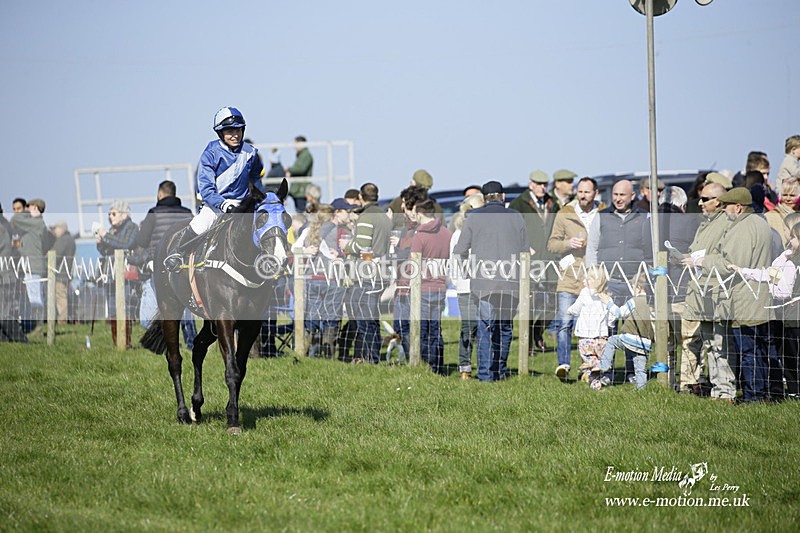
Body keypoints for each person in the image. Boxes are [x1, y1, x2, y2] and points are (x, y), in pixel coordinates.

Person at [165, 106, 263, 272]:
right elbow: (207, 189)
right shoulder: (210, 153)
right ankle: (178, 252)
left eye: (238, 130)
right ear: (221, 133)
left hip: (244, 207)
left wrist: (262, 200)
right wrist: (222, 204)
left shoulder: (251, 153)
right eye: (230, 131)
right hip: (216, 206)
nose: (235, 135)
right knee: (201, 224)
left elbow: (256, 181)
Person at [699, 187, 773, 402]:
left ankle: (754, 396)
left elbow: (731, 264)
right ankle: (762, 392)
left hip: (744, 297)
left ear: (738, 207)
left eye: (727, 206)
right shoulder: (761, 222)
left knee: (749, 350)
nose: (723, 210)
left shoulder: (742, 228)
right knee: (760, 349)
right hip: (760, 295)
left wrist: (704, 261)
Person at [453, 180, 528, 382]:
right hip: (510, 282)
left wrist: (468, 272)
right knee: (504, 328)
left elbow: (459, 251)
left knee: (486, 328)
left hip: (483, 283)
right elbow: (524, 251)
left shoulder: (474, 218)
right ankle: (500, 371)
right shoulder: (516, 216)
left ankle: (485, 374)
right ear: (503, 197)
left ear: (484, 199)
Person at [729, 221, 800, 400]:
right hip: (788, 316)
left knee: (792, 357)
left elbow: (782, 290)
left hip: (792, 317)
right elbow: (769, 273)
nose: (789, 241)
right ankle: (791, 391)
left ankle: (793, 391)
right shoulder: (786, 260)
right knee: (787, 356)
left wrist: (774, 279)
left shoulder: (791, 264)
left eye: (793, 237)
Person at [547, 177, 604, 378]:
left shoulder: (604, 212)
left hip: (595, 279)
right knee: (564, 323)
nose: (582, 195)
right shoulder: (565, 214)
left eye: (587, 192)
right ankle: (563, 364)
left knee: (590, 327)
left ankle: (588, 368)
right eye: (580, 191)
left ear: (595, 193)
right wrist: (568, 243)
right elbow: (552, 244)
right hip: (569, 277)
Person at [131, 180, 196, 348]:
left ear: (160, 194)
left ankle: (165, 342)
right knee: (187, 304)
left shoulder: (154, 213)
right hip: (183, 265)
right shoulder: (188, 213)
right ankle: (191, 342)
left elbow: (142, 240)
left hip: (159, 266)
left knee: (160, 308)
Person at [679, 181, 729, 396]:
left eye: (705, 199)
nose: (699, 203)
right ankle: (713, 388)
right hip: (700, 292)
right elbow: (696, 251)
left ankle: (724, 390)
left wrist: (700, 261)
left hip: (717, 292)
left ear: (718, 201)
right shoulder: (704, 223)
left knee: (719, 345)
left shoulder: (727, 223)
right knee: (707, 341)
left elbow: (728, 258)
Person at [509, 170, 559, 353]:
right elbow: (511, 230)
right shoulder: (518, 204)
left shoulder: (553, 204)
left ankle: (537, 330)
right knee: (528, 303)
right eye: (538, 184)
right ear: (530, 184)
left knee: (555, 302)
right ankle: (528, 344)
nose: (542, 187)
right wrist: (523, 247)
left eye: (545, 184)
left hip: (550, 260)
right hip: (528, 261)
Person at [343, 183, 391, 364]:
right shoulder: (385, 217)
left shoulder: (366, 217)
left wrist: (345, 246)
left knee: (363, 321)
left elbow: (360, 246)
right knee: (372, 319)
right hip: (380, 274)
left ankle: (369, 358)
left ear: (362, 197)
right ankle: (372, 358)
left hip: (366, 275)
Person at [589, 275, 654, 391]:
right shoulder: (653, 303)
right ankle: (641, 390)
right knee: (640, 370)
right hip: (645, 343)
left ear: (638, 287)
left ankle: (604, 366)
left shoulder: (634, 301)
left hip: (630, 338)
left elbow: (619, 313)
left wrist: (608, 302)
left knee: (612, 340)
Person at [410, 198, 452, 375]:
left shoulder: (419, 236)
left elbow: (413, 266)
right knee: (436, 329)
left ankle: (426, 366)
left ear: (420, 213)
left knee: (423, 330)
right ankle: (438, 367)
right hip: (440, 287)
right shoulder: (446, 233)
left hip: (423, 288)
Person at [450, 193, 485, 380]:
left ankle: (483, 365)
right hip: (465, 287)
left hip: (484, 286)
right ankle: (465, 367)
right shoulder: (458, 234)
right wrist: (458, 283)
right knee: (468, 327)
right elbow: (453, 261)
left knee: (483, 328)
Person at [96, 200, 138, 348]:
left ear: (124, 214)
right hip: (110, 273)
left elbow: (125, 244)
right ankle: (116, 342)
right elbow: (106, 251)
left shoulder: (131, 227)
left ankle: (126, 342)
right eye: (109, 214)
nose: (110, 217)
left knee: (124, 306)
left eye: (114, 213)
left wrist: (106, 236)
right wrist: (100, 242)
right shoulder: (113, 230)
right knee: (113, 307)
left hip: (125, 274)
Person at [10, 198, 54, 331]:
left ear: (35, 208)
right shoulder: (38, 225)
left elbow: (15, 219)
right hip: (33, 265)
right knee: (33, 298)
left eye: (28, 207)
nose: (26, 210)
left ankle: (38, 328)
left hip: (32, 266)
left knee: (35, 299)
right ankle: (33, 327)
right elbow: (42, 246)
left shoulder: (35, 223)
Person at [566, 266, 615, 382]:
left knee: (588, 357)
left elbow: (576, 308)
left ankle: (592, 369)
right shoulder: (607, 296)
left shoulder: (584, 293)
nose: (583, 281)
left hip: (586, 336)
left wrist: (570, 311)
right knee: (601, 356)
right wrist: (610, 324)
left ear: (594, 280)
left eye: (586, 279)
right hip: (601, 337)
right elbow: (612, 315)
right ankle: (596, 380)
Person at [0, 202, 27, 343]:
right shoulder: (6, 224)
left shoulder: (2, 227)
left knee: (5, 313)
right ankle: (4, 340)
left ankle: (21, 340)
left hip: (4, 276)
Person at [50, 221, 75, 326]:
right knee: (63, 296)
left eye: (56, 228)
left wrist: (47, 256)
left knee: (60, 297)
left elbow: (55, 254)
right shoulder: (70, 240)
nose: (54, 231)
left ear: (61, 229)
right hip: (66, 273)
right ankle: (63, 319)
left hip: (60, 273)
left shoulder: (63, 240)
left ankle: (62, 321)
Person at [286, 135, 314, 211]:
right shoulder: (302, 155)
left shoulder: (306, 155)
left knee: (300, 211)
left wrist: (289, 170)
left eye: (295, 144)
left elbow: (301, 169)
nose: (294, 146)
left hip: (301, 189)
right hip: (298, 188)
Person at [777, 135, 800, 200]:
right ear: (793, 150)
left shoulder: (792, 161)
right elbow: (797, 173)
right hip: (784, 192)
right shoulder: (789, 160)